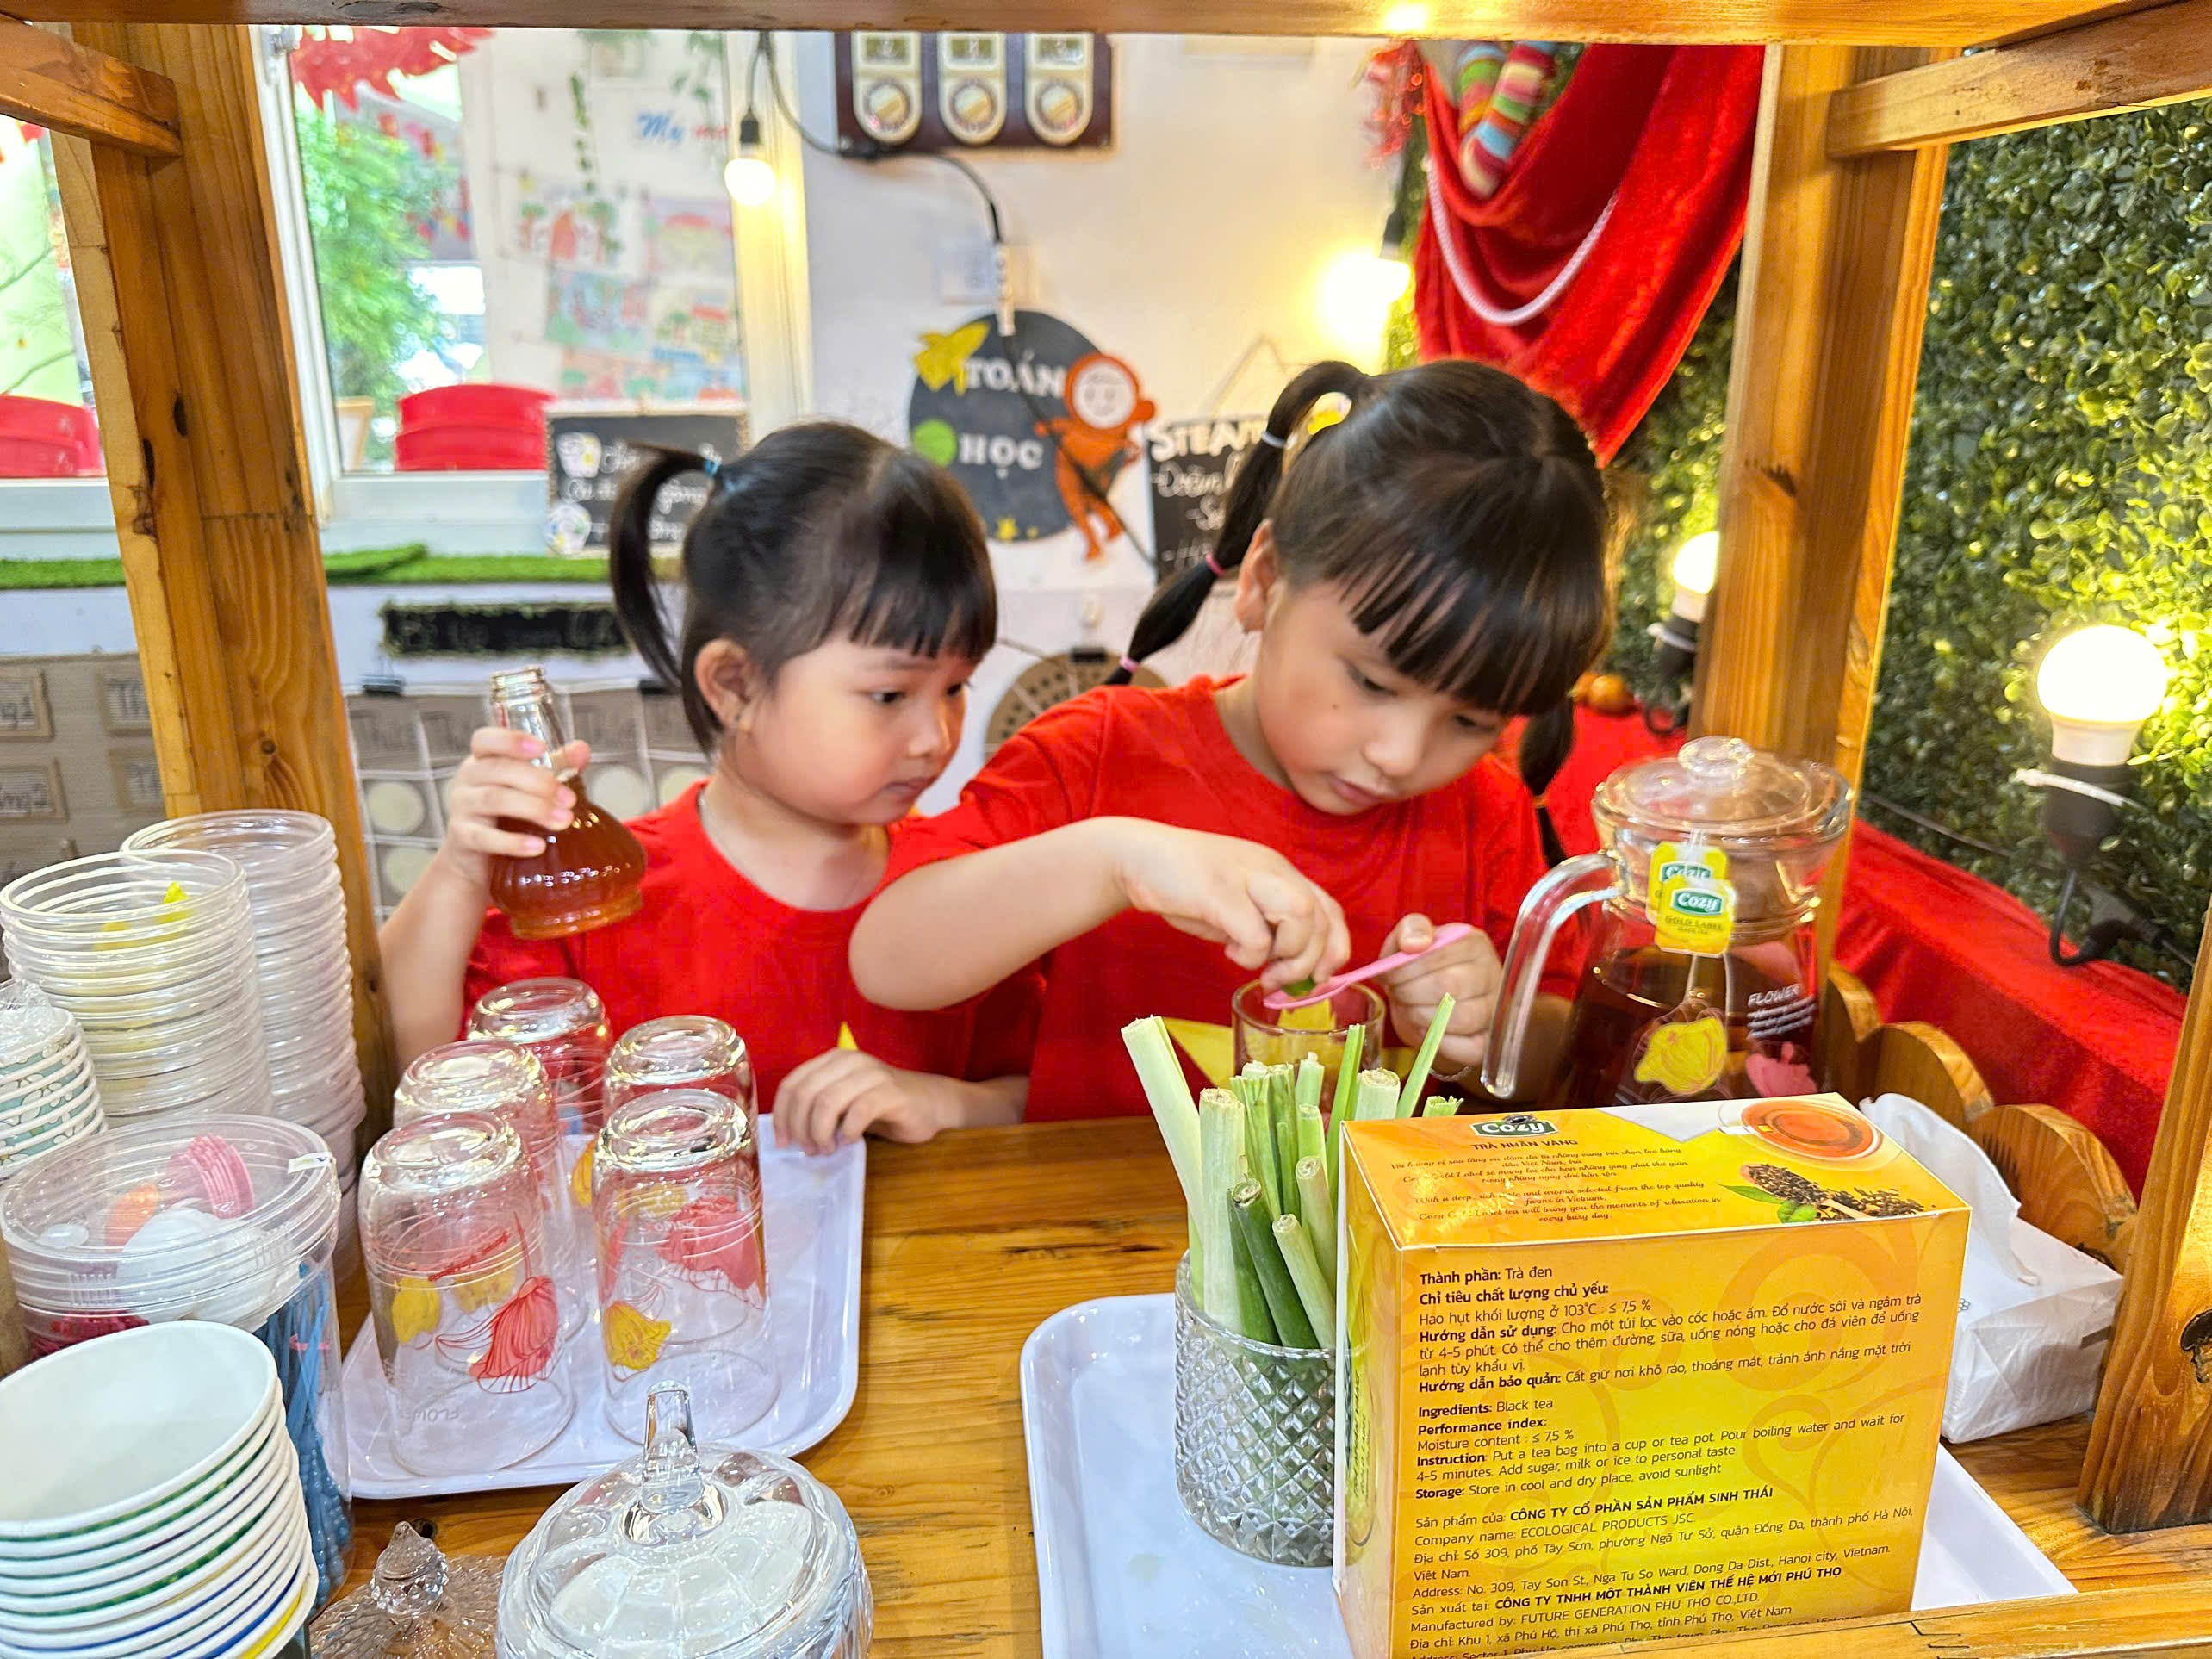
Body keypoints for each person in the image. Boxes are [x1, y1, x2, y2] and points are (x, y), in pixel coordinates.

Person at [850, 359, 1614, 1118]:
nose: (1401, 756)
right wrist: (1120, 860)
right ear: (1263, 580)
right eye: (1373, 684)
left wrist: (1483, 1025)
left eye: (1473, 722)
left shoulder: (1485, 815)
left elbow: (1556, 1048)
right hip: (1097, 1227)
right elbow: (889, 958)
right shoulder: (1097, 753)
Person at [379, 422, 1037, 1153]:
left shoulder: (965, 887)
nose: (934, 736)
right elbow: (420, 1068)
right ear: (735, 685)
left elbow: (1037, 1092)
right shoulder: (600, 894)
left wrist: (943, 1101)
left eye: (955, 687)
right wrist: (462, 871)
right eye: (890, 695)